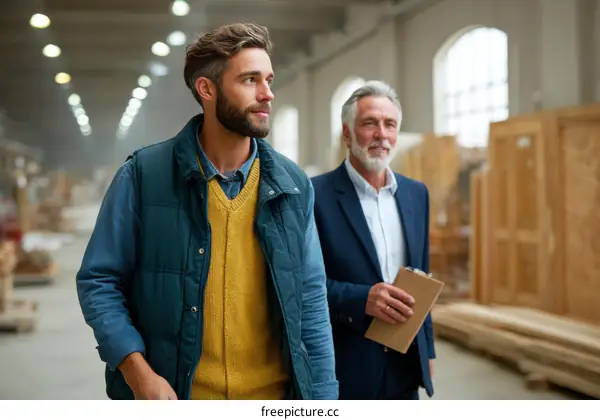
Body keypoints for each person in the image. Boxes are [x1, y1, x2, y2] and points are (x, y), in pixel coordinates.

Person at [76, 22, 338, 401]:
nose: (267, 94)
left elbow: (311, 298)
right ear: (207, 89)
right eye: (250, 80)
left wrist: (325, 398)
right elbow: (98, 281)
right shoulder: (143, 176)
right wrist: (138, 375)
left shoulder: (293, 185)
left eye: (268, 79)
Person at [311, 80, 435, 400]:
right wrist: (361, 298)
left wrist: (428, 350)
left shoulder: (416, 194)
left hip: (404, 363)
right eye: (369, 123)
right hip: (346, 364)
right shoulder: (315, 196)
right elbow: (299, 286)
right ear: (347, 133)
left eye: (389, 124)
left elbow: (422, 277)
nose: (381, 134)